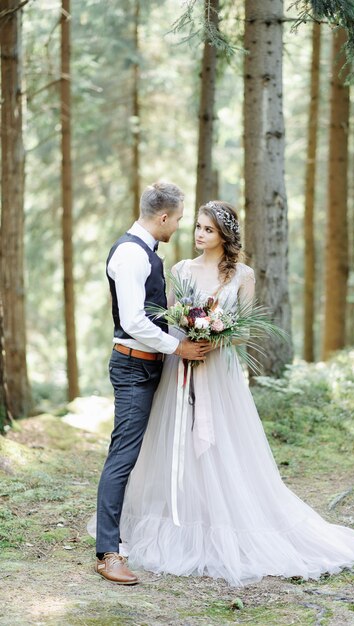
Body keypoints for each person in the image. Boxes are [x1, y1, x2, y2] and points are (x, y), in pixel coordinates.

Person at [114, 201, 354, 586]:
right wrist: (188, 336)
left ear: (224, 235)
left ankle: (224, 520)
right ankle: (181, 517)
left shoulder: (242, 275)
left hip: (219, 372)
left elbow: (245, 329)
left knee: (222, 445)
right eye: (196, 227)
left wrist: (214, 335)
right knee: (178, 443)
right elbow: (170, 318)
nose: (198, 235)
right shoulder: (179, 270)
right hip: (182, 366)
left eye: (207, 229)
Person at [93, 182, 211, 585]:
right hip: (132, 368)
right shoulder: (130, 254)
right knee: (123, 454)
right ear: (163, 217)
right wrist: (178, 347)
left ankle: (129, 534)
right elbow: (133, 321)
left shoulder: (144, 252)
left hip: (149, 365)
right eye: (178, 219)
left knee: (135, 453)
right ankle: (108, 552)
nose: (179, 227)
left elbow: (150, 312)